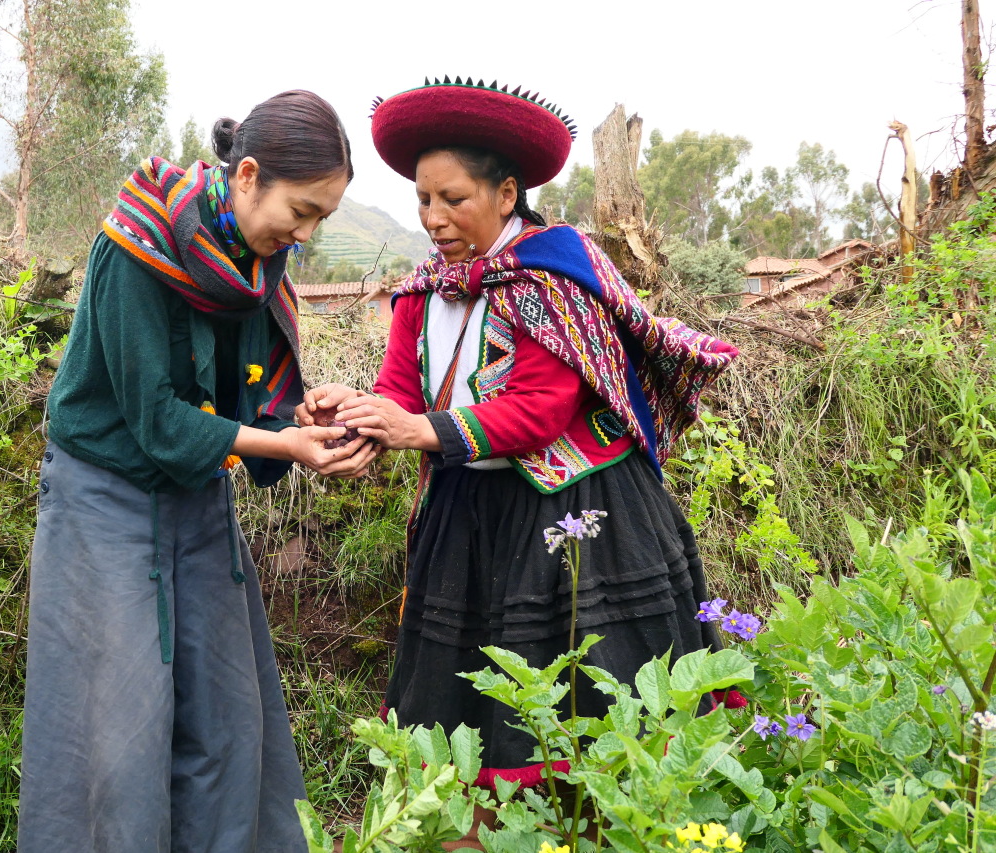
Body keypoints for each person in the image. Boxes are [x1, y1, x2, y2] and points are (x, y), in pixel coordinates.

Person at [299, 78, 741, 790]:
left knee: (586, 694)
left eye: (454, 199)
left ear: (506, 194)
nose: (434, 218)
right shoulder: (422, 292)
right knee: (461, 697)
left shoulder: (554, 280)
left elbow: (540, 408)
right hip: (466, 518)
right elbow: (400, 392)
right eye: (423, 200)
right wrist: (357, 416)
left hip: (574, 514)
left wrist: (419, 429)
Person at [18, 90, 375, 853]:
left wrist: (305, 422)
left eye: (321, 219)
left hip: (197, 498)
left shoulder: (255, 265)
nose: (305, 235)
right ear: (247, 175)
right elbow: (156, 422)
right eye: (303, 210)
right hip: (103, 502)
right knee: (114, 742)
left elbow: (248, 398)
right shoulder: (138, 245)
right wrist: (281, 446)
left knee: (228, 721)